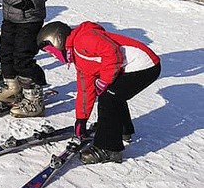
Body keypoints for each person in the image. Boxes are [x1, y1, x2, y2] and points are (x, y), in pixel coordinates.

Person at [37, 21, 161, 164]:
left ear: (57, 40)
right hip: (131, 67)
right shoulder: (79, 59)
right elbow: (85, 90)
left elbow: (112, 52)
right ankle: (120, 129)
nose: (53, 57)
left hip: (145, 64)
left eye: (51, 52)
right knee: (113, 94)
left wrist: (104, 80)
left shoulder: (83, 39)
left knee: (109, 97)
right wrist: (81, 120)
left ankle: (109, 149)